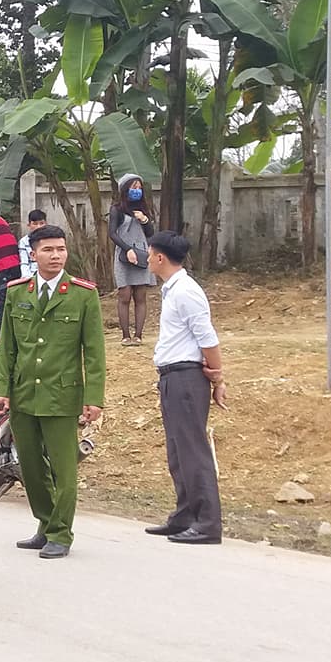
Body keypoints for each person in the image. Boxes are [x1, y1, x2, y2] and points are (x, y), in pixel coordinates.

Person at [0, 225, 106, 558]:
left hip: (61, 395)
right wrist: (2, 389)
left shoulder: (83, 294)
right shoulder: (17, 292)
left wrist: (94, 398)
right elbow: (7, 348)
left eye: (60, 249)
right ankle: (45, 524)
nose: (56, 256)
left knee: (63, 467)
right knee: (29, 465)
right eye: (48, 250)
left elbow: (95, 351)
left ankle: (61, 533)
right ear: (33, 254)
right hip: (24, 393)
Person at [146, 231, 226, 545]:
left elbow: (208, 339)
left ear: (161, 257)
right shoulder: (172, 290)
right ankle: (185, 515)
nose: (148, 258)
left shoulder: (186, 292)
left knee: (193, 451)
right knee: (178, 452)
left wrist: (218, 378)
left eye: (150, 253)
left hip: (186, 377)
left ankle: (207, 523)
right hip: (172, 376)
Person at [110, 173, 157, 345]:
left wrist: (145, 220)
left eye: (139, 188)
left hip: (142, 255)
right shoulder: (117, 209)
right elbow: (112, 234)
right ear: (125, 189)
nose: (137, 191)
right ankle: (125, 336)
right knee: (124, 294)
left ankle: (138, 335)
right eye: (133, 187)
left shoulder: (143, 209)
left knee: (140, 296)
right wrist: (127, 249)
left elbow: (150, 233)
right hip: (124, 255)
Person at [19, 209, 48, 280]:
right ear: (29, 225)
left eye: (41, 223)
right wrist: (27, 278)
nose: (38, 227)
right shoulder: (24, 241)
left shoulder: (50, 239)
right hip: (31, 276)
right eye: (35, 224)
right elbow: (24, 262)